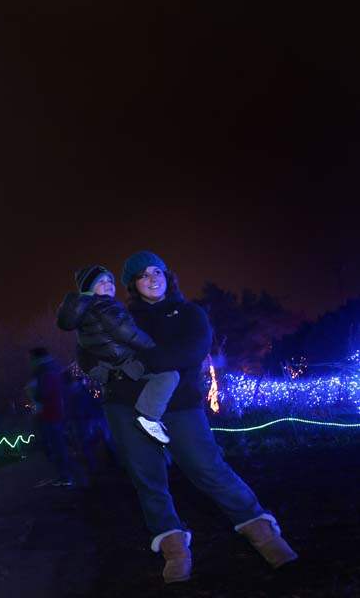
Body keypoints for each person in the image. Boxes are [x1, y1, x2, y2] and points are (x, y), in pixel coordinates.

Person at [93, 250, 298, 583]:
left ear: (167, 276)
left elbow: (191, 351)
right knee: (148, 478)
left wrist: (137, 363)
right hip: (127, 407)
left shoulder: (190, 313)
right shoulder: (121, 317)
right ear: (133, 284)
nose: (151, 278)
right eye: (142, 275)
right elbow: (95, 350)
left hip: (180, 405)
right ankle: (174, 549)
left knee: (208, 467)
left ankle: (262, 532)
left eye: (156, 271)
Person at [57, 265, 180, 444]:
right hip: (123, 359)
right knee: (169, 375)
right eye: (101, 282)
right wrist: (153, 348)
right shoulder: (104, 305)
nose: (108, 284)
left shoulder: (83, 314)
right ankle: (149, 416)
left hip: (108, 363)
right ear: (89, 289)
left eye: (110, 281)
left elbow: (86, 349)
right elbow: (127, 332)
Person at [25, 347, 82, 487]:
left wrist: (33, 392)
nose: (30, 361)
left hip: (51, 413)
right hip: (56, 412)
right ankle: (70, 475)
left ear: (37, 358)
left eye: (31, 358)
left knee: (56, 446)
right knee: (57, 445)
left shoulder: (45, 371)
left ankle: (68, 476)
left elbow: (44, 393)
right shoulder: (52, 368)